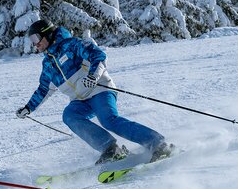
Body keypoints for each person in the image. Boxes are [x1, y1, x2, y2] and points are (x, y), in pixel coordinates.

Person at [16, 20, 174, 164]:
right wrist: (28, 108)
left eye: (36, 39)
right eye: (32, 41)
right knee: (69, 116)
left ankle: (159, 144)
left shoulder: (71, 45)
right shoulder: (48, 63)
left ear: (48, 34)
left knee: (109, 120)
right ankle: (110, 149)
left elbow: (98, 55)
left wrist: (93, 76)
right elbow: (44, 89)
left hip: (99, 89)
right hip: (80, 100)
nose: (35, 44)